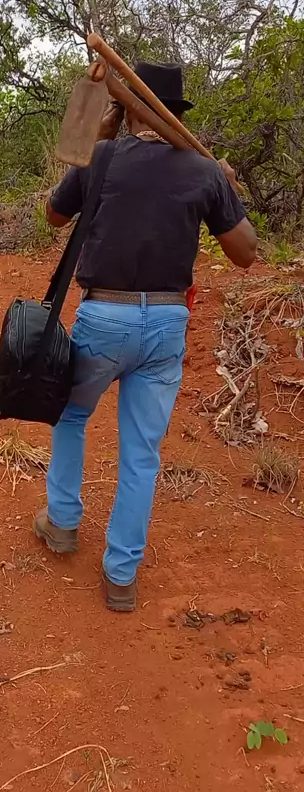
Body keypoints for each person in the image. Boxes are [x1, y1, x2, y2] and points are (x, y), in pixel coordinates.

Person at [33, 60, 257, 612]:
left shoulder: (103, 157)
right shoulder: (203, 171)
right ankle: (121, 576)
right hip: (165, 324)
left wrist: (100, 132)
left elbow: (54, 216)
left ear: (127, 109)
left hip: (103, 318)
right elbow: (246, 253)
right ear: (176, 115)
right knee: (141, 453)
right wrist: (228, 188)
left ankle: (62, 523)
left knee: (70, 415)